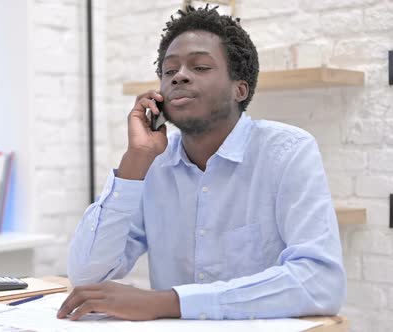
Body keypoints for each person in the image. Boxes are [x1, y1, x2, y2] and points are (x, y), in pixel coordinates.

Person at [58, 4, 346, 321]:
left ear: (240, 89)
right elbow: (86, 274)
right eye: (169, 71)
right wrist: (135, 161)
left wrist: (168, 303)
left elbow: (320, 283)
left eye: (200, 67)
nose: (179, 76)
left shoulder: (287, 151)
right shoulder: (153, 162)